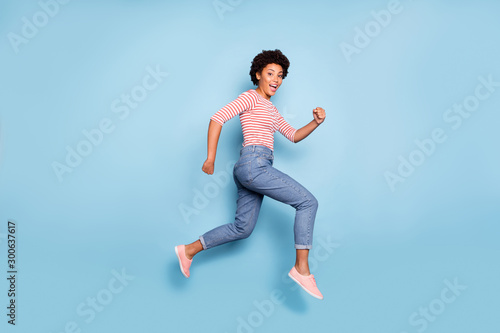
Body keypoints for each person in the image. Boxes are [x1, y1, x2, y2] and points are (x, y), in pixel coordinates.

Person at [175, 49, 326, 300]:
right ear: (258, 75)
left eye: (280, 75)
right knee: (308, 202)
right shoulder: (250, 98)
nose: (276, 79)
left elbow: (294, 135)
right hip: (254, 165)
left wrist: (315, 123)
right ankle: (301, 269)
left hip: (253, 168)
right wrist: (211, 157)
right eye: (270, 73)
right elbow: (217, 118)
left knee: (242, 228)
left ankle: (188, 250)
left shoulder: (272, 110)